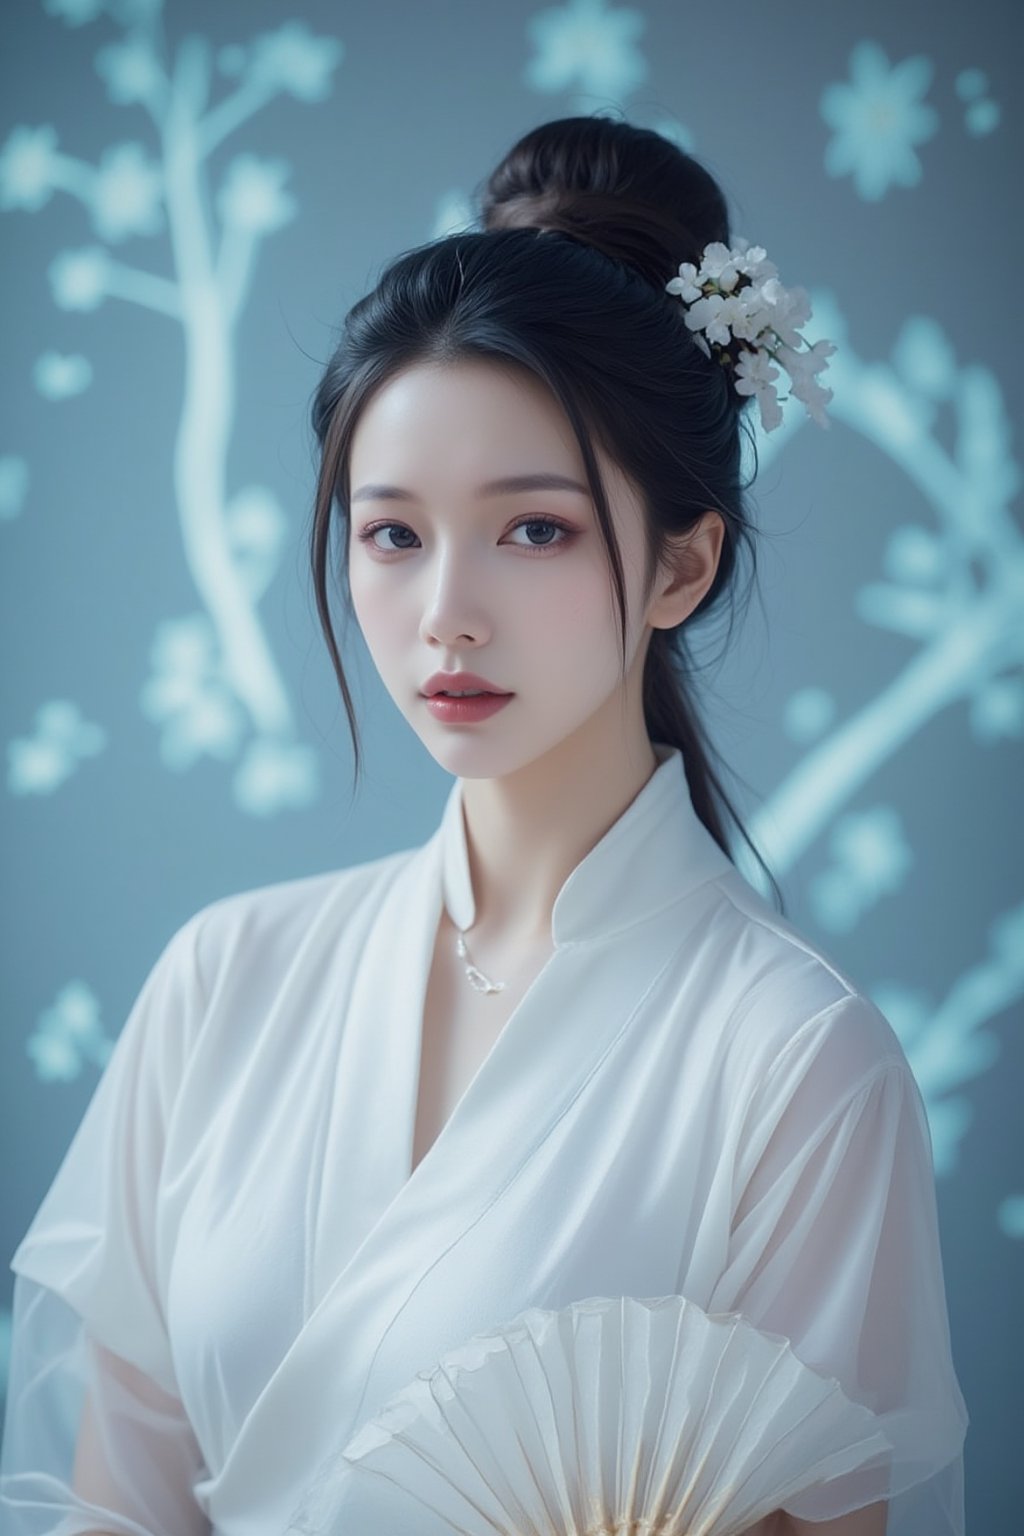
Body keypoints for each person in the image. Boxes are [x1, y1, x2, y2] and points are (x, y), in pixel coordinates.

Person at [0, 116, 967, 1535]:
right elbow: (120, 1498)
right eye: (392, 534)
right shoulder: (225, 981)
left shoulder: (796, 1067)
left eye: (534, 530)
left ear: (682, 565)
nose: (446, 609)